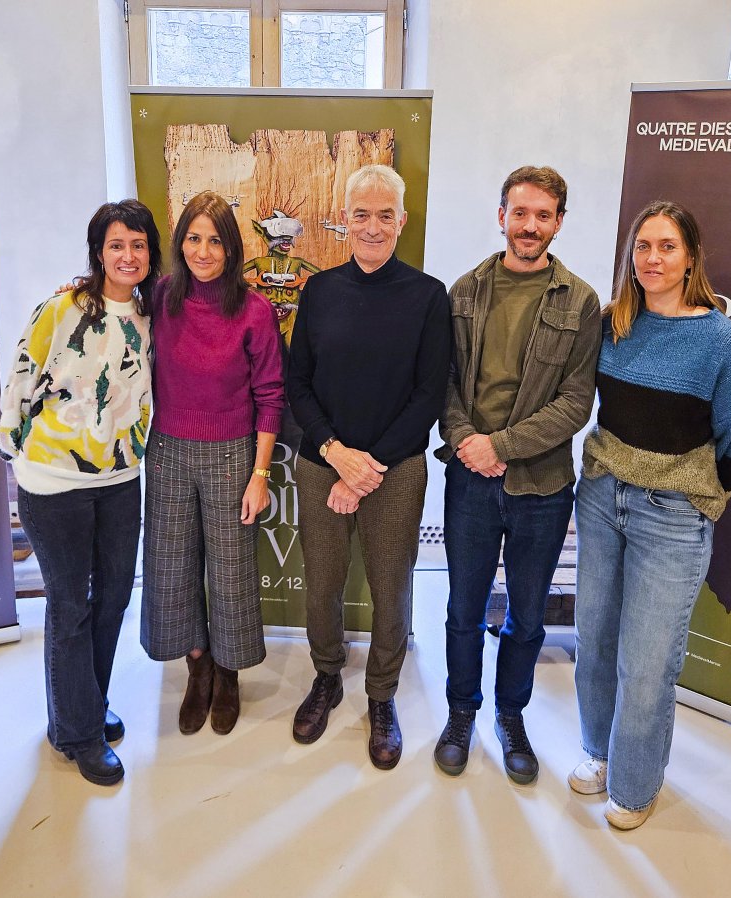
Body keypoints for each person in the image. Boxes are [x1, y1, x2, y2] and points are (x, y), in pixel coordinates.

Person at [571, 200, 731, 829]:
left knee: (648, 662)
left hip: (672, 518)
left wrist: (702, 493)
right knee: (595, 644)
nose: (653, 259)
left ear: (691, 257)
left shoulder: (721, 344)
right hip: (602, 499)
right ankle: (598, 755)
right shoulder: (612, 325)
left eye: (668, 247)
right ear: (630, 255)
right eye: (643, 247)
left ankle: (634, 785)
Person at [435, 166, 601, 783]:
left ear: (559, 222)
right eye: (519, 212)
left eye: (543, 215)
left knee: (528, 615)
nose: (530, 225)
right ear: (500, 214)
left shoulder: (581, 302)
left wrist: (501, 444)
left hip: (544, 488)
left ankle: (511, 715)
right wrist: (467, 444)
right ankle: (459, 712)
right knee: (463, 608)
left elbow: (576, 402)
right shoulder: (466, 292)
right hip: (470, 481)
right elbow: (445, 385)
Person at [287, 164, 451, 770]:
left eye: (386, 215)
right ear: (344, 221)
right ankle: (326, 677)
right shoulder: (320, 290)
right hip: (322, 462)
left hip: (396, 470)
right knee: (324, 582)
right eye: (362, 214)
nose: (374, 226)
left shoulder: (429, 297)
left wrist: (371, 467)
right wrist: (336, 455)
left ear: (402, 221)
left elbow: (430, 396)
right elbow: (297, 383)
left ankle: (381, 696)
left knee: (391, 588)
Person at [0, 199, 161, 787]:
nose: (127, 255)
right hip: (54, 482)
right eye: (116, 244)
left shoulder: (147, 316)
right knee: (70, 607)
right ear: (98, 251)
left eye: (138, 245)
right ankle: (78, 733)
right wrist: (11, 444)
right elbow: (22, 370)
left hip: (119, 480)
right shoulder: (64, 308)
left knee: (114, 597)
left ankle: (81, 707)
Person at [140, 191, 284, 737]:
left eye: (215, 240)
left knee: (230, 570)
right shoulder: (159, 298)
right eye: (193, 238)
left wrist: (260, 473)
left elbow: (271, 395)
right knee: (172, 566)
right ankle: (196, 665)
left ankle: (227, 674)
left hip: (232, 451)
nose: (203, 250)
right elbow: (107, 303)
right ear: (180, 244)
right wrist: (73, 289)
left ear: (231, 248)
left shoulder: (254, 311)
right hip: (169, 449)